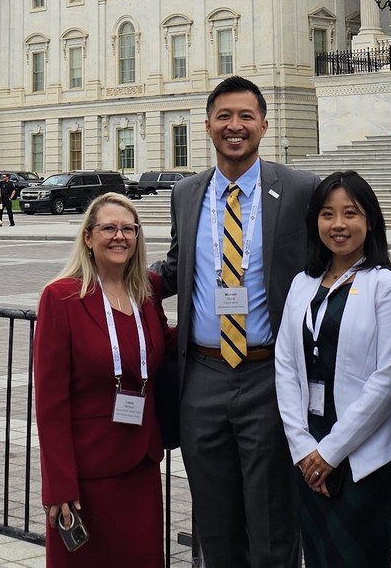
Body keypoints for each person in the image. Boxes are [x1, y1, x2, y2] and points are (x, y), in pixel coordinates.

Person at [153, 75, 317, 568]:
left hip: (268, 375)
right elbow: (177, 265)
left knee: (272, 521)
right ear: (207, 126)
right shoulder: (187, 193)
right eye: (224, 116)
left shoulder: (299, 189)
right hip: (202, 376)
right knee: (214, 520)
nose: (235, 126)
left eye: (246, 116)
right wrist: (113, 281)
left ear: (264, 125)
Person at [275, 171, 391, 568]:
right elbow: (285, 366)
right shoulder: (302, 283)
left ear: (370, 221)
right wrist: (303, 448)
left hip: (362, 460)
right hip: (309, 452)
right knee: (317, 558)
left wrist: (331, 452)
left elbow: (387, 380)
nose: (338, 224)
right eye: (327, 214)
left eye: (351, 213)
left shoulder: (386, 286)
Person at [34, 192, 174, 566]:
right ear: (88, 237)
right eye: (109, 228)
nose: (119, 237)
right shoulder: (61, 297)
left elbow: (163, 343)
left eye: (129, 229)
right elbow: (50, 403)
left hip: (140, 464)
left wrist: (218, 329)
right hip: (87, 473)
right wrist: (58, 485)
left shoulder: (146, 291)